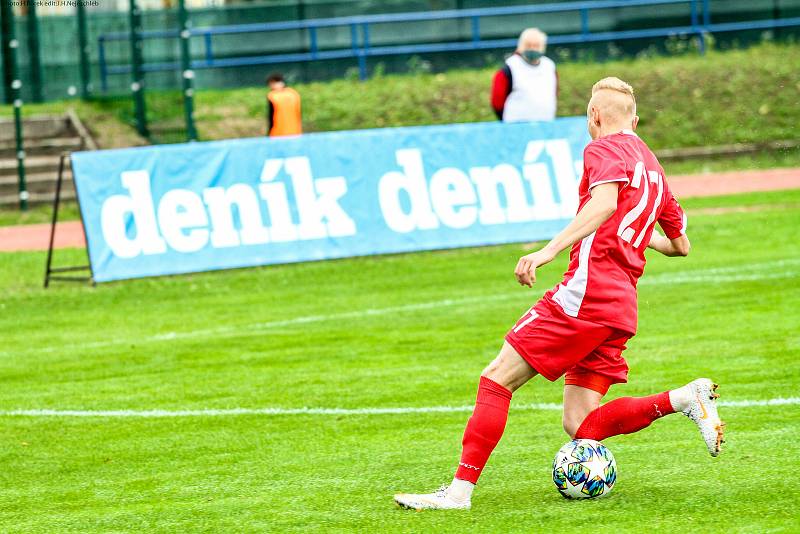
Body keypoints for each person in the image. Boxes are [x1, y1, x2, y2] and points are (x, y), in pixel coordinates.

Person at [394, 77, 725, 511]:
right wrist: (635, 236)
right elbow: (681, 245)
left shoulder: (602, 148)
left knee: (497, 378)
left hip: (585, 296)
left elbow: (604, 203)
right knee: (579, 423)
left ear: (594, 116)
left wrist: (549, 249)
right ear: (636, 120)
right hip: (620, 306)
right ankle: (684, 398)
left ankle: (458, 493)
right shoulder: (654, 169)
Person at [491, 28, 558, 122]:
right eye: (528, 45)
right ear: (521, 46)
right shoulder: (510, 67)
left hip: (546, 123)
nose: (532, 49)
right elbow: (497, 101)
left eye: (536, 45)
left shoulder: (549, 66)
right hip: (515, 125)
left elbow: (554, 92)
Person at [266, 73, 302, 137]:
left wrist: (269, 132)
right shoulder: (293, 93)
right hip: (295, 131)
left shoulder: (272, 96)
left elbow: (271, 116)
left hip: (278, 133)